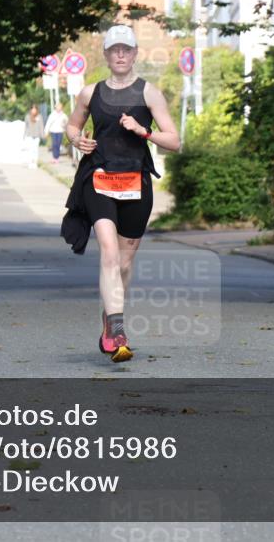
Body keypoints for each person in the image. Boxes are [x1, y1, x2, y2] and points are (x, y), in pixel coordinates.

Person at [61, 25, 180, 363]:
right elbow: (72, 125)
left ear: (135, 53)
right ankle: (118, 327)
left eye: (126, 49)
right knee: (109, 252)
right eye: (115, 50)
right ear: (107, 54)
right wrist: (76, 139)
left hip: (135, 183)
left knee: (125, 262)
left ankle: (107, 323)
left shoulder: (149, 94)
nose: (121, 55)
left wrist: (144, 132)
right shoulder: (90, 93)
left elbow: (174, 140)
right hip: (98, 178)